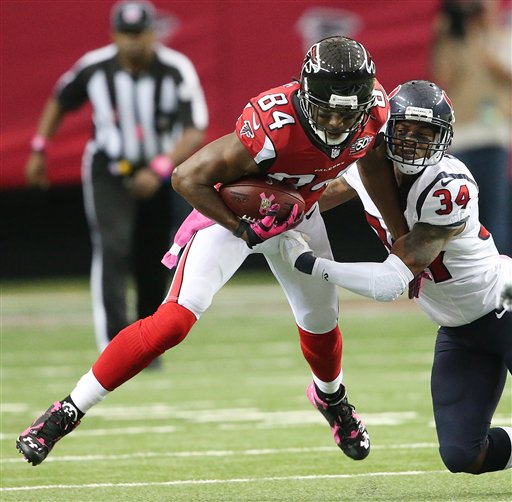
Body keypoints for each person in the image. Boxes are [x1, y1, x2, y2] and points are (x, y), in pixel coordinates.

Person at [16, 36, 409, 466]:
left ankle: (332, 399)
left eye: (344, 112)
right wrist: (243, 227)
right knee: (173, 322)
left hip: (297, 215)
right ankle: (65, 412)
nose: (334, 122)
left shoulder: (376, 115)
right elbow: (186, 178)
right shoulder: (274, 124)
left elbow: (362, 172)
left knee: (320, 323)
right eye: (325, 110)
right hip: (234, 213)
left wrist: (386, 228)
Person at [280, 80, 512, 475]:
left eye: (426, 134)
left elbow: (394, 277)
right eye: (404, 130)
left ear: (445, 138)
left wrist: (313, 264)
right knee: (462, 455)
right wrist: (276, 211)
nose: (413, 143)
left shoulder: (447, 186)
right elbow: (319, 195)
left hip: (503, 305)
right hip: (458, 330)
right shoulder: (369, 165)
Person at [25, 0, 208, 353]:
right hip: (109, 168)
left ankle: (148, 340)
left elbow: (194, 130)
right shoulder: (95, 68)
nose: (133, 43)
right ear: (114, 35)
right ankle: (113, 343)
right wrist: (38, 147)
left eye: (139, 34)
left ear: (153, 34)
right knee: (113, 246)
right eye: (126, 35)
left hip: (157, 170)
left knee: (156, 252)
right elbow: (60, 100)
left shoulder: (174, 69)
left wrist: (158, 168)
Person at [431, 0, 511, 255]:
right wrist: (445, 36)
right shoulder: (452, 41)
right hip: (462, 135)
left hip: (492, 133)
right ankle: (461, 265)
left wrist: (481, 36)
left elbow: (505, 71)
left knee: (493, 208)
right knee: (460, 206)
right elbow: (444, 77)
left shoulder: (502, 36)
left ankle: (500, 269)